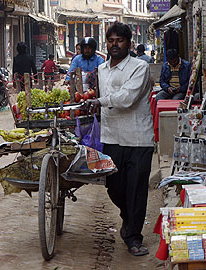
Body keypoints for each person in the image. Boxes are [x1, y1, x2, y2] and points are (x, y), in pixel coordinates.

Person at [86, 22, 154, 257]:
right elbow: (102, 99)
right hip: (112, 136)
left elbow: (127, 98)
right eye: (111, 40)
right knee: (114, 187)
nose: (115, 45)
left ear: (129, 43)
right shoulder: (102, 69)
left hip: (138, 138)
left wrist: (100, 102)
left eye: (120, 40)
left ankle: (134, 237)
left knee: (136, 189)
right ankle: (129, 215)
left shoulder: (140, 67)